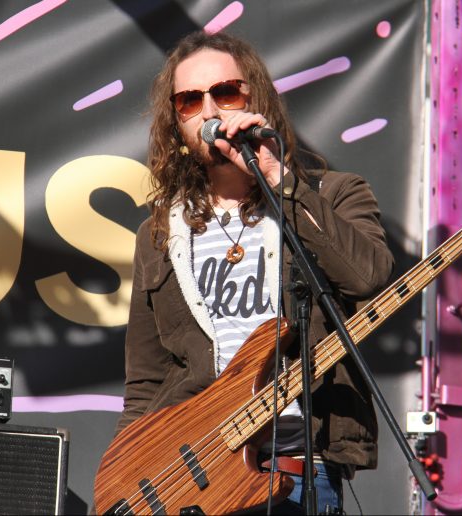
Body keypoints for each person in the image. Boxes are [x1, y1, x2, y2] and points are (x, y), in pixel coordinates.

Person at [114, 30, 394, 514]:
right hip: (196, 480)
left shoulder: (333, 195)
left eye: (226, 92)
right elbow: (145, 381)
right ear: (176, 122)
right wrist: (121, 479)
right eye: (189, 100)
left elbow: (369, 277)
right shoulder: (160, 232)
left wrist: (280, 182)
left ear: (254, 98)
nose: (210, 110)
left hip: (300, 470)